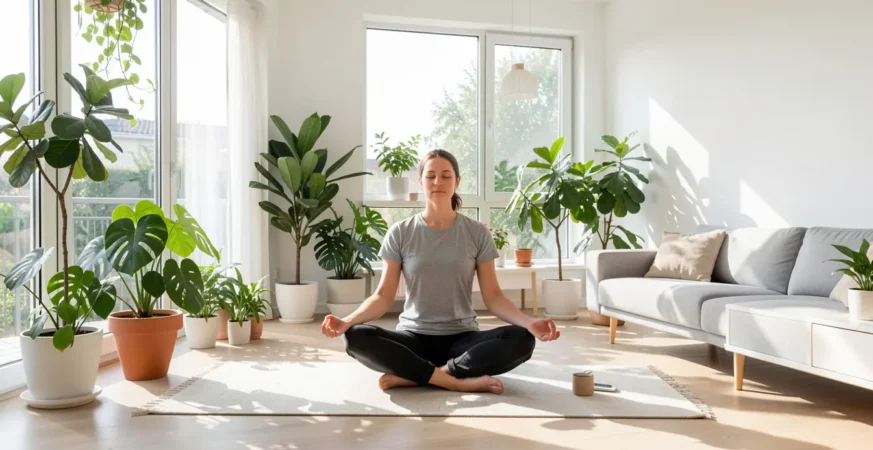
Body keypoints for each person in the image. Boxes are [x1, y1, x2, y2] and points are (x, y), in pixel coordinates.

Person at [321, 149, 560, 395]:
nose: (438, 182)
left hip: (463, 340)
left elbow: (494, 297)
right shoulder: (401, 232)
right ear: (421, 180)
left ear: (457, 182)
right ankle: (454, 380)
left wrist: (530, 324)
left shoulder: (477, 233)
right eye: (431, 176)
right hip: (413, 338)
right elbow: (383, 296)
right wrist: (347, 321)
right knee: (355, 337)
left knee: (521, 340)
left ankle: (422, 376)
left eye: (446, 176)